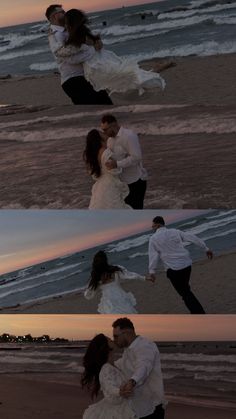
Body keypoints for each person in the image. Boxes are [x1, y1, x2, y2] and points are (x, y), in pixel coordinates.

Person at [55, 9, 165, 97]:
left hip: (95, 65)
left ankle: (153, 72)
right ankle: (152, 72)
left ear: (70, 23)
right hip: (103, 58)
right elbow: (95, 44)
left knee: (122, 80)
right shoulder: (85, 32)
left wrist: (60, 49)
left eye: (66, 22)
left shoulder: (75, 39)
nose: (65, 25)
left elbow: (63, 53)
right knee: (124, 75)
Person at [45, 5, 112, 104]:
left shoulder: (72, 27)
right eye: (62, 12)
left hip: (89, 77)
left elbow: (92, 40)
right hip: (73, 80)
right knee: (93, 111)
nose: (65, 14)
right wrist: (90, 48)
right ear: (54, 16)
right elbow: (67, 56)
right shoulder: (54, 35)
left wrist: (97, 42)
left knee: (107, 104)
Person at [148, 216, 214, 314]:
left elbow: (153, 255)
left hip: (173, 270)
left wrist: (152, 271)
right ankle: (197, 312)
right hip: (186, 266)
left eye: (152, 225)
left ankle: (199, 313)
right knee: (186, 290)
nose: (151, 227)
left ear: (157, 224)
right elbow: (191, 237)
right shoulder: (175, 231)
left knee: (185, 294)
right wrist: (206, 248)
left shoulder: (153, 239)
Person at [113, 317, 166, 419]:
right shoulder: (128, 349)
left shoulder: (144, 345)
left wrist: (132, 381)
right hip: (138, 407)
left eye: (116, 336)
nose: (115, 340)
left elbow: (143, 366)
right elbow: (121, 365)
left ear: (126, 333)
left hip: (152, 408)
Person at [81, 333, 136, 419]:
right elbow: (108, 386)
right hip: (117, 410)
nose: (113, 340)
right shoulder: (106, 368)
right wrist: (119, 391)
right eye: (109, 340)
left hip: (123, 405)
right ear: (105, 347)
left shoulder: (116, 365)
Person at [100, 114, 148, 209]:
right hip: (122, 184)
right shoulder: (110, 141)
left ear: (114, 125)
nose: (104, 133)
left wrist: (117, 164)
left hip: (135, 181)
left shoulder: (129, 136)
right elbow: (111, 158)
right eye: (103, 130)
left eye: (105, 129)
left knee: (136, 212)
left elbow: (136, 157)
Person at [83, 129, 131, 209]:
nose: (104, 133)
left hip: (100, 184)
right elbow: (114, 169)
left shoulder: (92, 154)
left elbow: (94, 174)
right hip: (109, 183)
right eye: (101, 133)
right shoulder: (104, 152)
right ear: (99, 138)